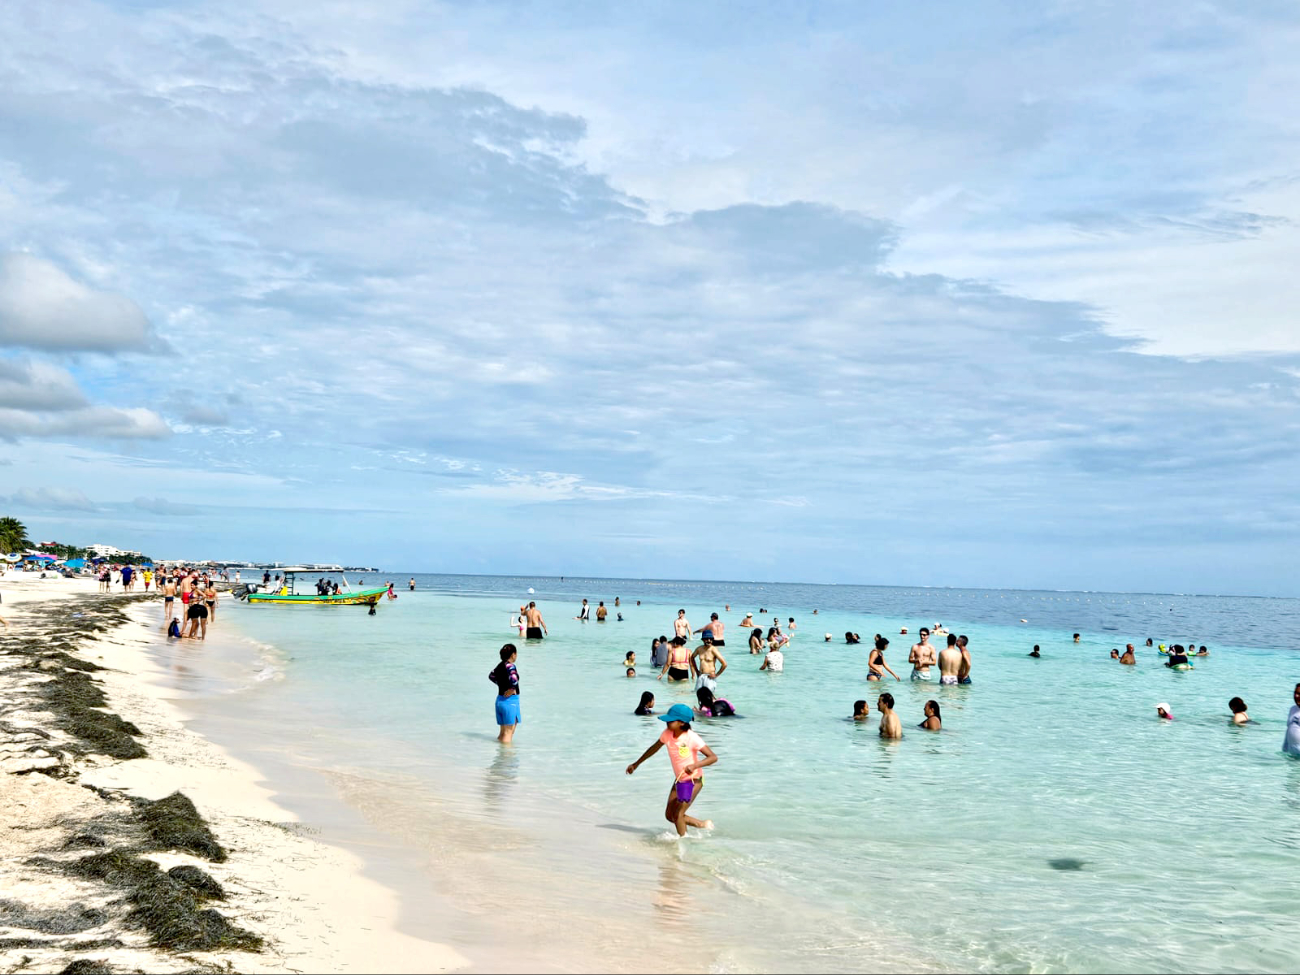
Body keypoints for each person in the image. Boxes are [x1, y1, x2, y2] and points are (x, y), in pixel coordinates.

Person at [625, 703, 717, 837]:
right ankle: (701, 824)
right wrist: (636, 763)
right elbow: (654, 748)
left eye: (670, 720)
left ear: (681, 722)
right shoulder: (667, 734)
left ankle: (684, 844)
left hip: (694, 780)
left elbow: (713, 757)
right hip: (679, 779)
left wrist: (694, 766)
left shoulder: (692, 737)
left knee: (678, 814)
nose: (667, 722)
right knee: (670, 816)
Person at [489, 644, 521, 743]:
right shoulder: (510, 666)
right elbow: (514, 679)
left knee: (503, 733)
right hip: (510, 702)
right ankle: (506, 757)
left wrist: (501, 685)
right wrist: (511, 688)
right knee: (508, 733)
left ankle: (500, 756)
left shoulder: (499, 665)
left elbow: (491, 676)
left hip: (500, 701)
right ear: (513, 654)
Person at [1284, 685, 1300, 756]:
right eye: (1295, 693)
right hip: (1291, 753)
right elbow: (1289, 730)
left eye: (1299, 694)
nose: (1296, 696)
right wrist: (1284, 749)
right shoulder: (1293, 709)